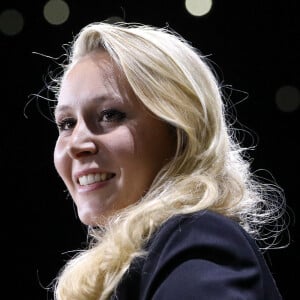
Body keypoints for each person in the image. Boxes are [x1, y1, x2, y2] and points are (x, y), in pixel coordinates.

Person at [46, 21, 287, 299]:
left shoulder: (197, 237)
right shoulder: (139, 264)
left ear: (180, 132)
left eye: (110, 115)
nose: (77, 144)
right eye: (66, 123)